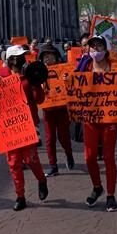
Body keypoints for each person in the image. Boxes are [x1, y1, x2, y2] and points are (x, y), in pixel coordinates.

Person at [0, 46, 49, 210]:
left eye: (21, 57)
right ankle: (20, 196)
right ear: (10, 60)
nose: (20, 60)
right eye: (17, 57)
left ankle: (41, 180)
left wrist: (37, 85)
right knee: (14, 163)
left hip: (27, 124)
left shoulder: (29, 78)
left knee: (30, 159)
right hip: (9, 126)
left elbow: (39, 99)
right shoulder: (1, 78)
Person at [81, 36, 117, 212]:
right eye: (92, 46)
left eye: (99, 46)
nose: (95, 49)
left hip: (109, 117)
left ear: (105, 49)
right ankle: (97, 186)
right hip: (90, 118)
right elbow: (75, 85)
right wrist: (68, 79)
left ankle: (111, 195)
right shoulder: (84, 66)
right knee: (89, 157)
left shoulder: (116, 67)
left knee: (108, 157)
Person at [39, 44, 75, 176]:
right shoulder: (39, 72)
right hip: (48, 110)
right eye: (44, 56)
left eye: (49, 55)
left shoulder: (64, 70)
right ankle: (53, 165)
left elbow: (72, 87)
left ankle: (69, 154)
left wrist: (67, 80)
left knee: (63, 137)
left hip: (62, 109)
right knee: (49, 138)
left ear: (56, 57)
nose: (47, 58)